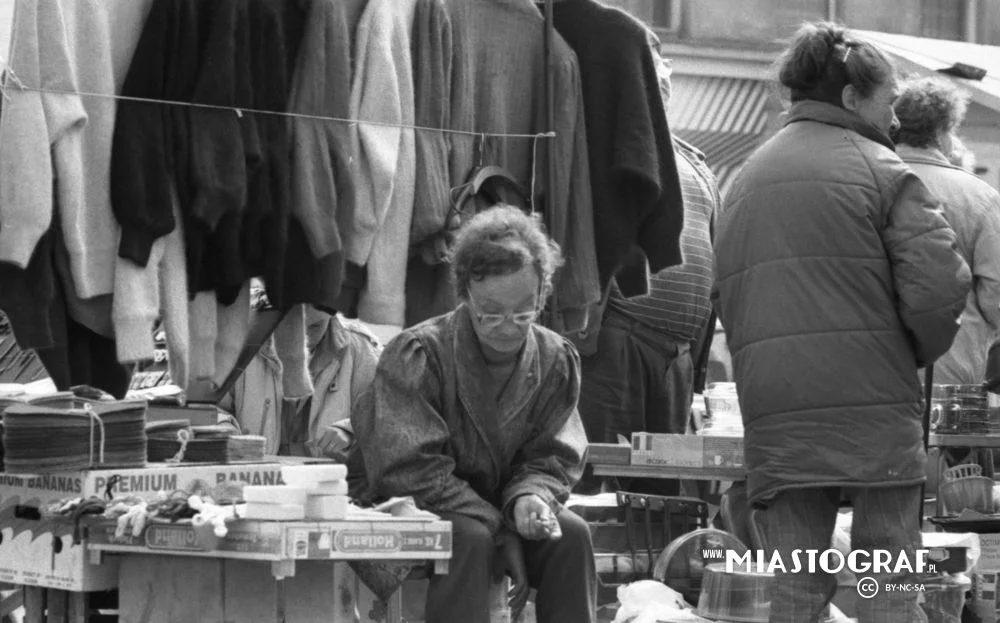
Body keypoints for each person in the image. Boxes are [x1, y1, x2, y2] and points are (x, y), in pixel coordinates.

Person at [713, 21, 971, 623]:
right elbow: (939, 289)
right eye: (887, 106)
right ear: (853, 98)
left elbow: (726, 298)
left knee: (793, 591)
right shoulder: (885, 170)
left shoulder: (745, 178)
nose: (894, 123)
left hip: (777, 416)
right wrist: (908, 352)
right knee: (887, 587)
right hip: (874, 414)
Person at [352, 205, 597, 623]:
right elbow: (409, 469)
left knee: (571, 534)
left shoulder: (555, 359)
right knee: (470, 537)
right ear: (464, 294)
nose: (507, 327)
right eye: (490, 313)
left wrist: (530, 499)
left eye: (524, 313)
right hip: (418, 503)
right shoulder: (420, 354)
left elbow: (554, 455)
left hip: (501, 506)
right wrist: (500, 526)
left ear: (542, 295)